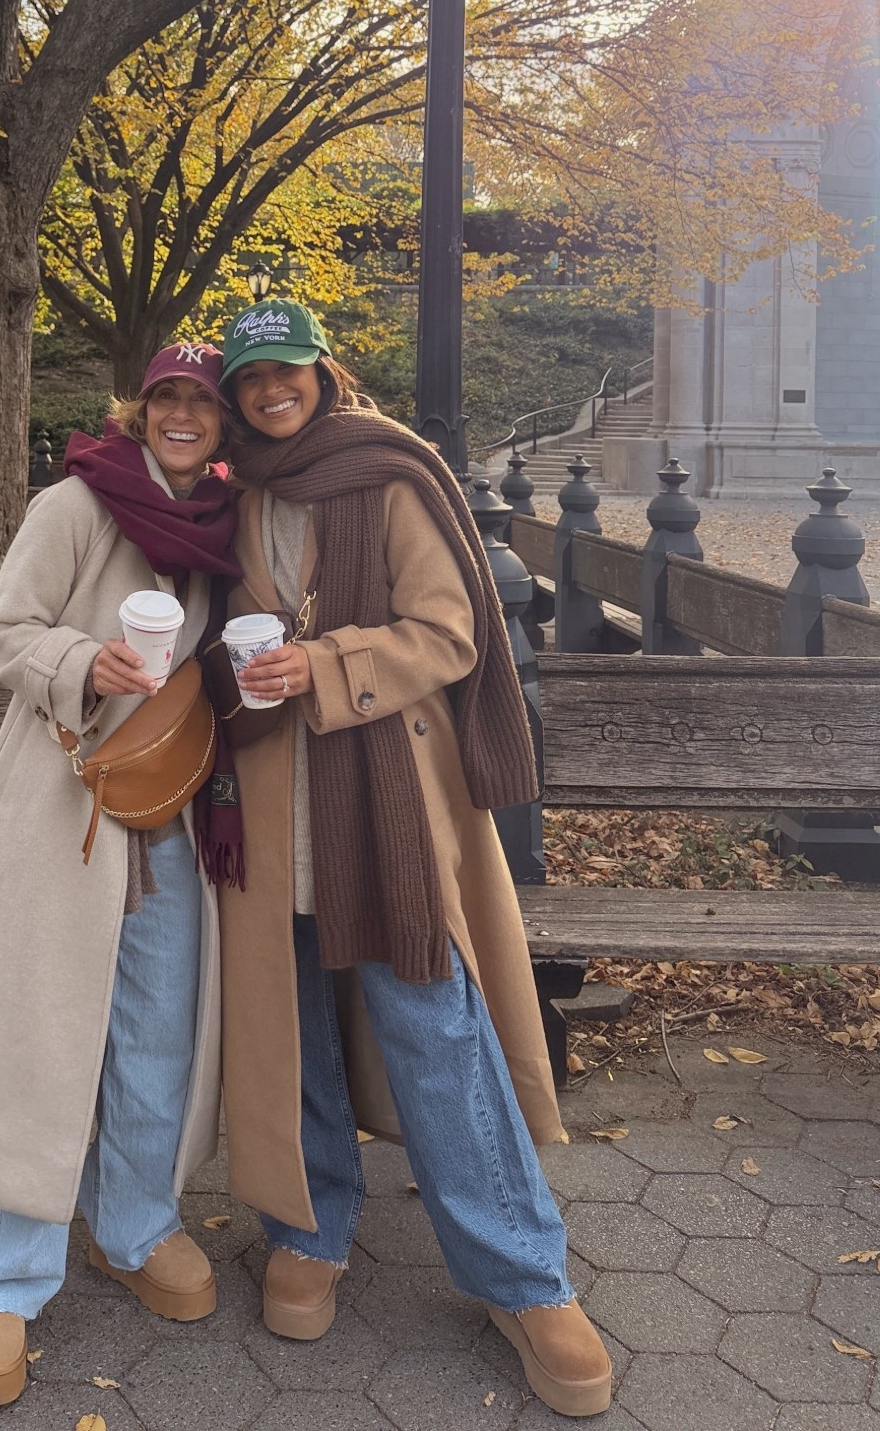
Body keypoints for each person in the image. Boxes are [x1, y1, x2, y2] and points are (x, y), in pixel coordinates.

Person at [210, 297, 613, 1421]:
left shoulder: (390, 473)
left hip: (383, 799)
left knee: (434, 1024)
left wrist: (324, 662)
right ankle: (310, 1222)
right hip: (266, 800)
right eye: (253, 378)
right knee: (290, 1029)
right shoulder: (235, 493)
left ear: (322, 373)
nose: (272, 390)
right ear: (237, 393)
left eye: (288, 369)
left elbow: (451, 628)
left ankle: (524, 1274)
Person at [0, 343, 239, 1409]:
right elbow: (1, 631)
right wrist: (82, 661)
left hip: (176, 808)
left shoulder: (231, 522)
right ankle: (1, 1273)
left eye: (203, 402)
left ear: (225, 421)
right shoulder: (78, 502)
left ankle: (135, 1224)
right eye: (167, 398)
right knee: (36, 1031)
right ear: (141, 409)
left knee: (154, 1027)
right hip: (63, 807)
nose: (183, 416)